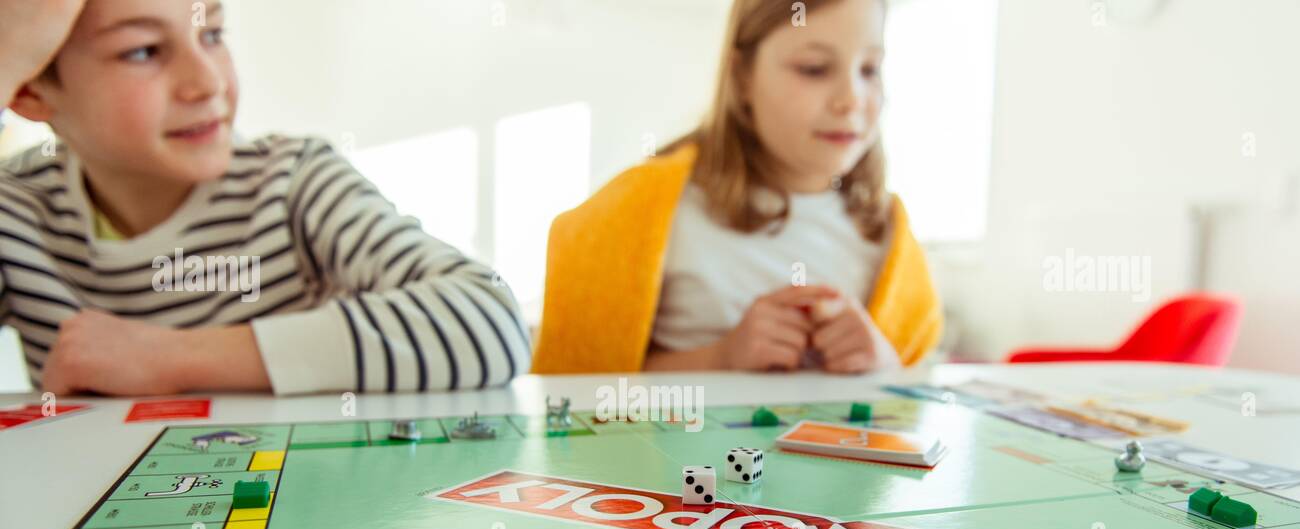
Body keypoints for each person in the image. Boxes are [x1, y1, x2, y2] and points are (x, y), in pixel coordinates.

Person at [0, 0, 530, 397]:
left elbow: (490, 320)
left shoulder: (292, 180)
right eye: (142, 51)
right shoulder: (17, 205)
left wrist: (172, 358)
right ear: (26, 89)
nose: (207, 82)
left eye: (212, 34)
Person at [533, 0, 941, 376]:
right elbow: (582, 387)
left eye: (870, 69)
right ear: (742, 77)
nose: (852, 99)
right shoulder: (646, 210)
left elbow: (919, 386)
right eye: (814, 68)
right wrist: (723, 357)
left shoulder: (887, 231)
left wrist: (883, 363)